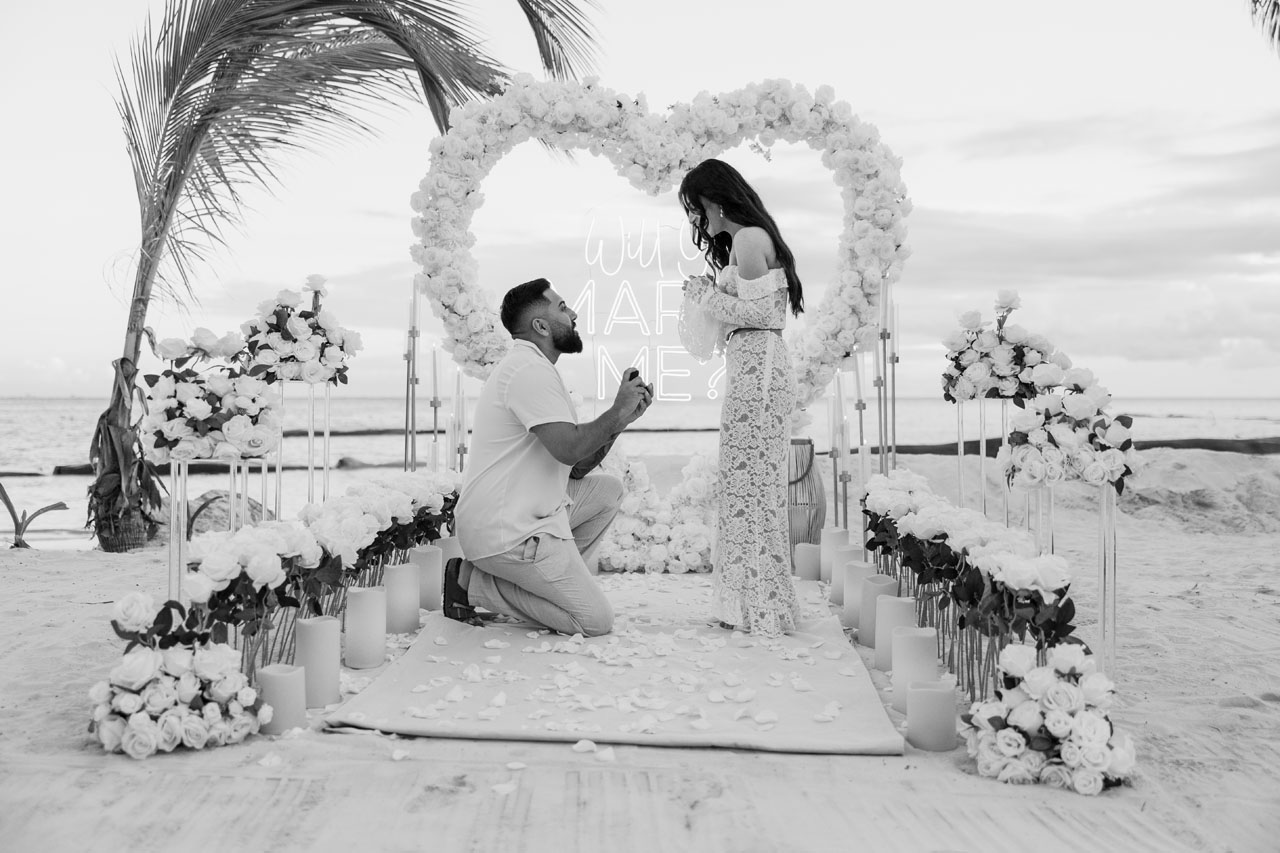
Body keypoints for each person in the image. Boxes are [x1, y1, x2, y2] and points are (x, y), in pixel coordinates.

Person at [447, 278, 653, 636]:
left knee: (607, 491)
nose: (573, 313)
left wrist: (621, 420)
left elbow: (576, 466)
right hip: (505, 531)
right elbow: (569, 447)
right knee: (595, 621)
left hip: (528, 512)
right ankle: (470, 583)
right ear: (541, 327)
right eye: (562, 307)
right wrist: (616, 411)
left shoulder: (537, 368)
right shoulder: (527, 371)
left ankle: (548, 583)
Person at [679, 159, 804, 637]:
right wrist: (710, 294)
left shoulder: (749, 238)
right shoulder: (743, 241)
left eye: (696, 207)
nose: (696, 219)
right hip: (751, 366)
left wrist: (705, 296)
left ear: (714, 201)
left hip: (760, 369)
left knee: (751, 486)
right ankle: (750, 602)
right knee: (743, 484)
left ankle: (759, 605)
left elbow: (762, 314)